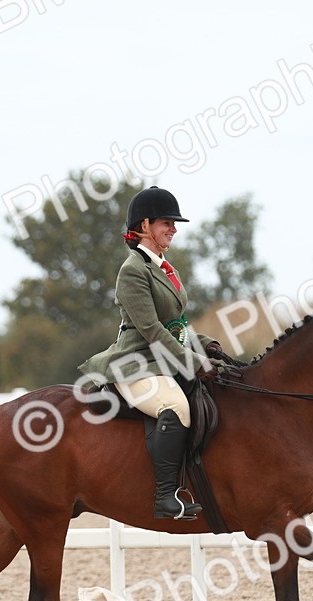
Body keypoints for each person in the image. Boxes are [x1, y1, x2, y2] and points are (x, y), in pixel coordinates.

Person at [78, 186, 232, 520]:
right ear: (145, 225)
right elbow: (151, 330)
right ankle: (165, 497)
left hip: (164, 358)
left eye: (174, 223)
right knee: (175, 407)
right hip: (136, 363)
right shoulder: (132, 270)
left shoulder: (164, 268)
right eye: (167, 222)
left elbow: (176, 324)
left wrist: (206, 344)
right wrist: (193, 361)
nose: (174, 228)